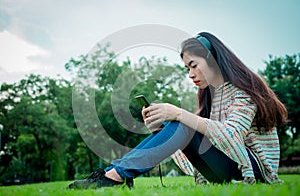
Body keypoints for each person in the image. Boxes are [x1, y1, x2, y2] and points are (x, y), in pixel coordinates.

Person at [68, 32, 288, 189]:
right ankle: (113, 173)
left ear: (212, 59)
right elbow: (195, 137)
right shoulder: (211, 95)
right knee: (179, 125)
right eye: (187, 68)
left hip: (252, 169)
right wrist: (161, 128)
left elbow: (231, 135)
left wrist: (179, 114)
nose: (190, 74)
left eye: (194, 65)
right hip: (225, 167)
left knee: (182, 122)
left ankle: (114, 175)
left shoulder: (243, 92)